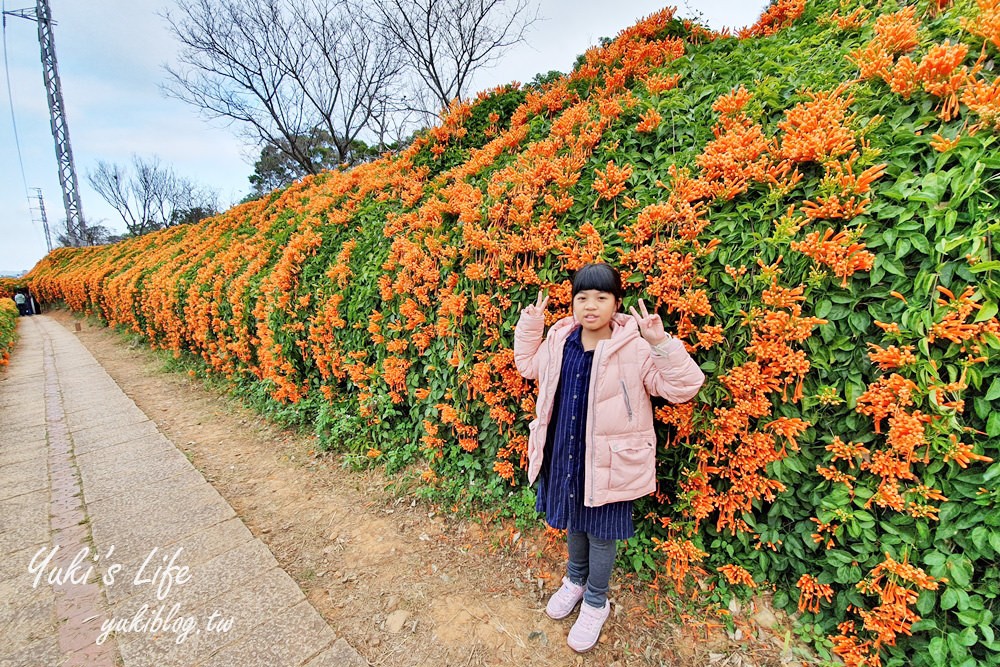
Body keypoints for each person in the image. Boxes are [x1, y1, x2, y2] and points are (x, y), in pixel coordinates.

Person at [513, 262, 705, 653]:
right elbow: (527, 366)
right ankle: (574, 580)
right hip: (565, 454)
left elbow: (684, 387)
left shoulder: (633, 347)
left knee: (601, 534)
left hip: (611, 463)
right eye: (581, 298)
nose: (590, 306)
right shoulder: (560, 339)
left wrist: (660, 343)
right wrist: (531, 326)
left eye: (601, 297)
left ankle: (596, 601)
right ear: (572, 303)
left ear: (616, 303)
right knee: (574, 523)